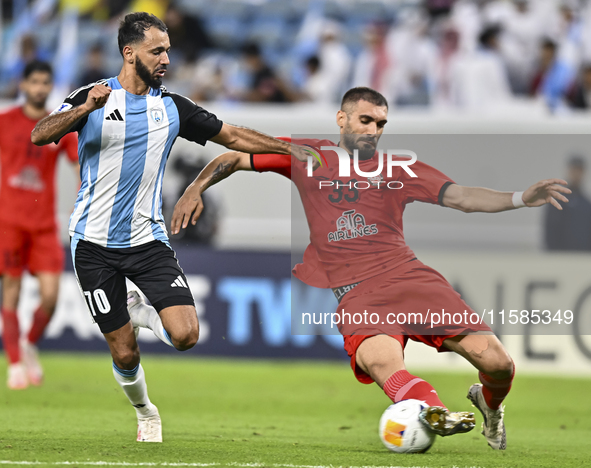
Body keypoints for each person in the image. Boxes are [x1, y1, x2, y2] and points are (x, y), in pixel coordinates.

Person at [171, 87, 571, 451]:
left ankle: (488, 404)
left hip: (410, 278)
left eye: (381, 124)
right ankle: (433, 411)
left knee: (498, 364)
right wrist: (195, 187)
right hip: (357, 293)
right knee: (384, 365)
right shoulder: (311, 157)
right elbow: (234, 156)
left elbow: (463, 197)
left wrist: (521, 197)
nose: (374, 130)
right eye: (366, 120)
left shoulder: (399, 168)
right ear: (342, 119)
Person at [31, 12, 306, 443]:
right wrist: (85, 108)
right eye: (157, 51)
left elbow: (232, 136)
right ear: (129, 52)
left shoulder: (173, 107)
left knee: (186, 335)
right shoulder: (93, 96)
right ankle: (146, 412)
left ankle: (142, 311)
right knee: (124, 350)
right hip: (92, 242)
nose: (165, 59)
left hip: (147, 241)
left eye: (168, 51)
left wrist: (289, 148)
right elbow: (40, 135)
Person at [0, 61, 79, 390]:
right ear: (24, 85)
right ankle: (15, 362)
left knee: (50, 296)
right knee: (11, 293)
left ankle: (29, 344)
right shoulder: (5, 123)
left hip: (44, 225)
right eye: (35, 82)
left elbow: (79, 166)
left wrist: (84, 197)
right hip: (9, 223)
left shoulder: (58, 126)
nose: (40, 88)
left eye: (46, 82)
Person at [544, 155, 591, 251]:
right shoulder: (556, 200)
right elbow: (550, 233)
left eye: (579, 170)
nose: (576, 174)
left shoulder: (586, 204)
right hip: (560, 258)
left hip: (583, 258)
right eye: (574, 169)